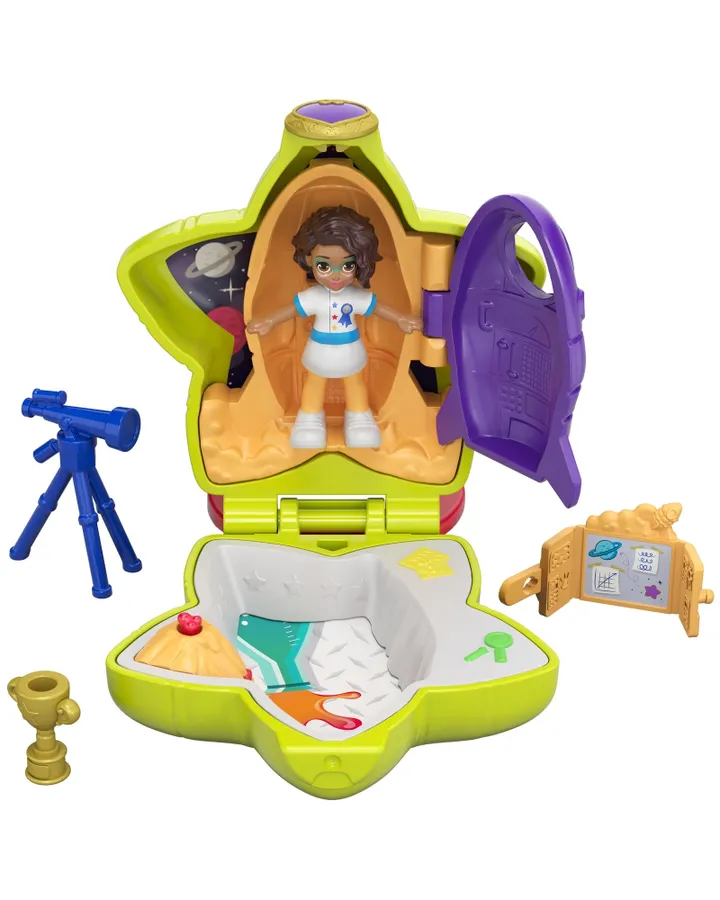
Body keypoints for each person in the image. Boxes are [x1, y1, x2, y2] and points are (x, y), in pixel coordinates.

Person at [247, 206, 423, 449]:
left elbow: (378, 308)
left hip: (350, 350)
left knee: (355, 383)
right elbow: (291, 309)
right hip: (319, 350)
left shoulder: (355, 295)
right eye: (324, 266)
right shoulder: (314, 297)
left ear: (359, 263)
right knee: (314, 384)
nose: (336, 276)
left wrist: (401, 319)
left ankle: (359, 417)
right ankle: (309, 418)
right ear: (309, 259)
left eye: (347, 266)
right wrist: (269, 321)